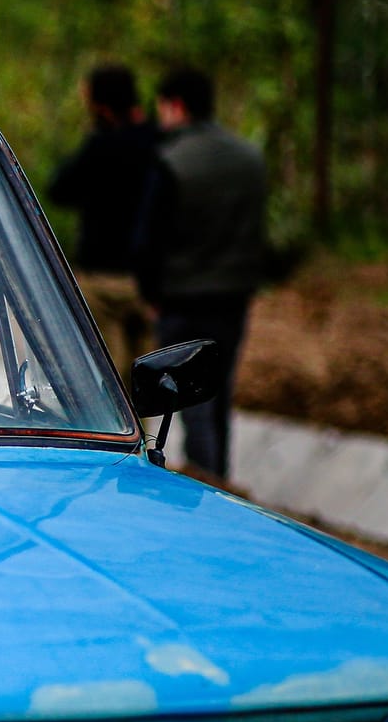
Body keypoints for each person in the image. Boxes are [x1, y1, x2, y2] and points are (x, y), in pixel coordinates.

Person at [132, 67, 268, 480]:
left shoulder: (170, 160)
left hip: (181, 298)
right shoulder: (249, 158)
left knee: (190, 398)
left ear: (176, 106)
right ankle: (220, 477)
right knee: (219, 392)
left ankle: (205, 482)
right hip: (233, 297)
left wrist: (151, 293)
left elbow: (146, 240)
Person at [48, 63, 159, 378]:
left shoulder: (99, 147)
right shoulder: (159, 142)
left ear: (101, 104)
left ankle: (123, 429)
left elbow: (59, 189)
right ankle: (146, 429)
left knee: (110, 381)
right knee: (148, 381)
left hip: (102, 278)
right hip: (148, 282)